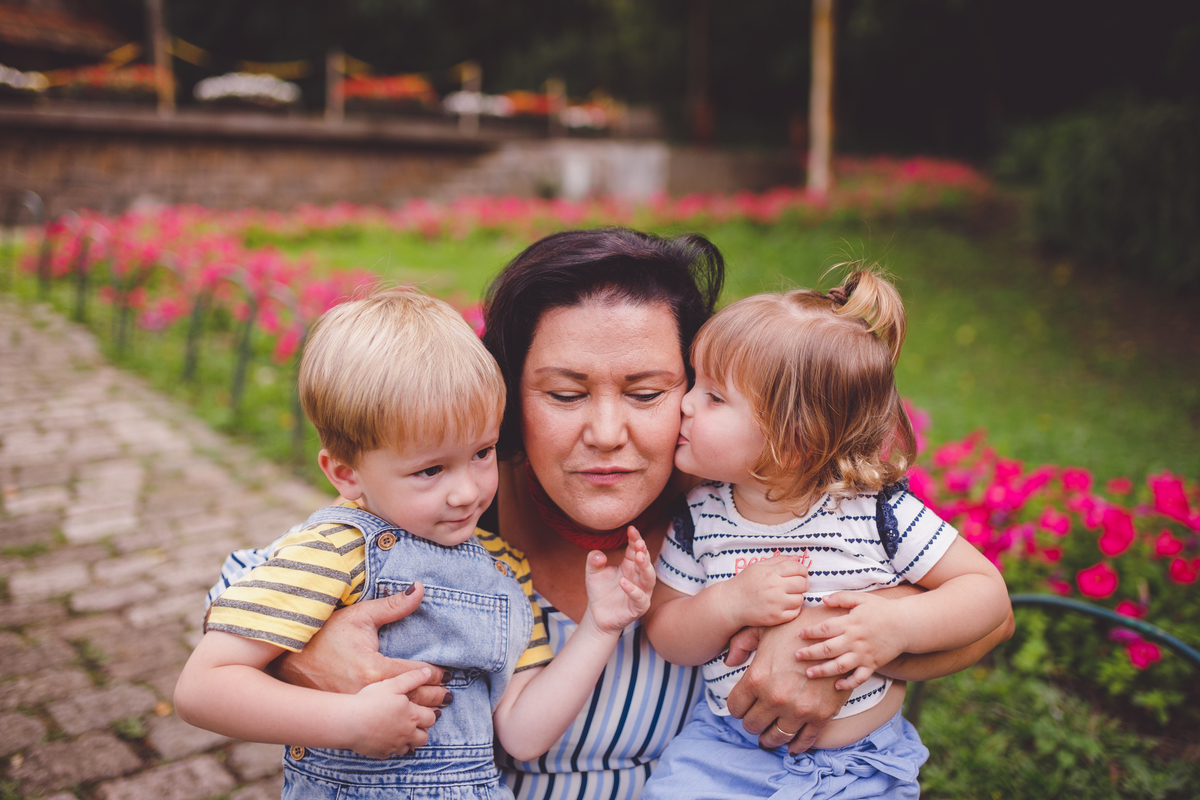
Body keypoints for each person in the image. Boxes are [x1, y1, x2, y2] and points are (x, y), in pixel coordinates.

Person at [207, 229, 1014, 800]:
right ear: (506, 399)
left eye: (648, 392)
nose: (606, 435)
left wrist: (846, 636)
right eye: (563, 394)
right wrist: (298, 656)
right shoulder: (443, 514)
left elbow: (981, 618)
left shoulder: (734, 517)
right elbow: (247, 615)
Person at [176, 288, 656, 800]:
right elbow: (203, 688)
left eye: (481, 452)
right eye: (430, 469)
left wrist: (601, 627)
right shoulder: (336, 551)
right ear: (345, 473)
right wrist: (348, 722)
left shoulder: (505, 569)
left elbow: (522, 733)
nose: (467, 491)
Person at [639, 269, 1012, 799]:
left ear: (793, 441)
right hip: (726, 756)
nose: (685, 403)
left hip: (861, 771)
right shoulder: (700, 517)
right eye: (695, 385)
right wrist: (727, 605)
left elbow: (987, 593)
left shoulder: (874, 513)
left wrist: (894, 625)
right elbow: (666, 631)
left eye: (715, 397)